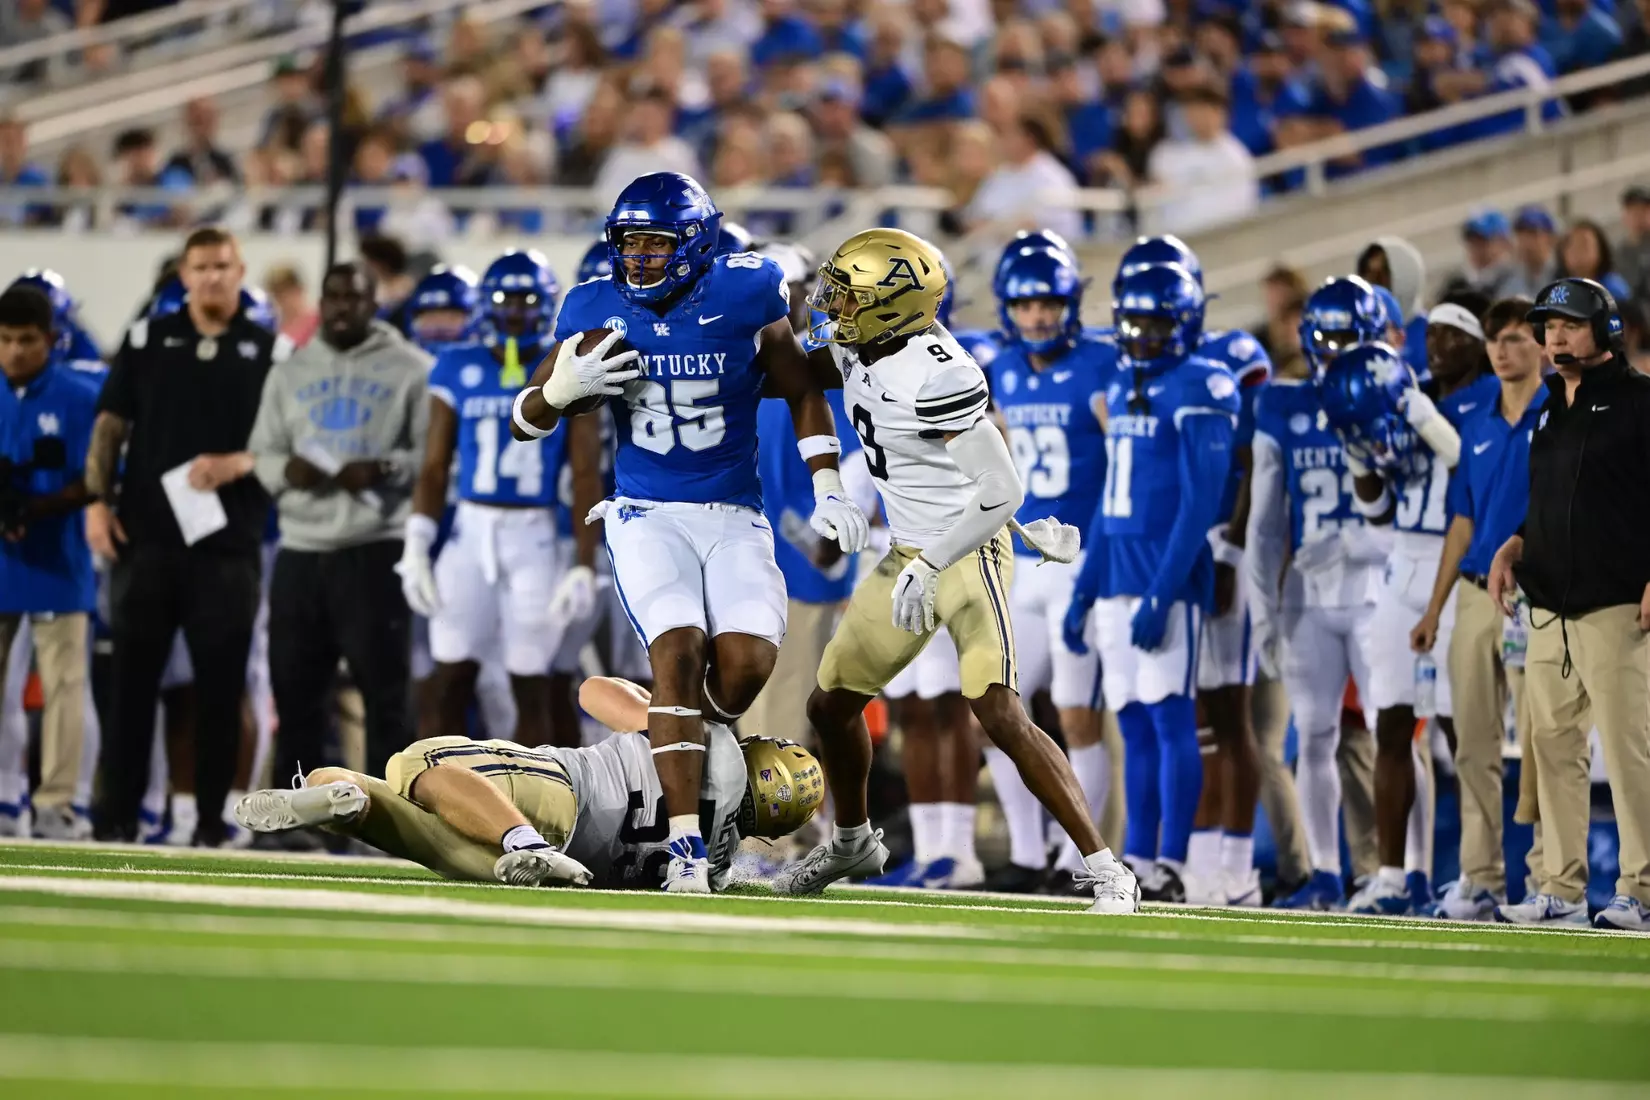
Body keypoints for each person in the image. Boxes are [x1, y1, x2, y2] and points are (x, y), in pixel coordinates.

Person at [512, 172, 867, 894]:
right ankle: (687, 850)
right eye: (629, 243)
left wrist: (828, 483)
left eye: (656, 243)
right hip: (646, 514)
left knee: (746, 665)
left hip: (735, 513)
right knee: (676, 652)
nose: (638, 258)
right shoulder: (596, 305)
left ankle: (676, 758)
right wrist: (553, 395)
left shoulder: (747, 295)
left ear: (699, 244)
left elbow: (801, 386)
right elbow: (524, 419)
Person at [768, 227, 1135, 914]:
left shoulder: (941, 371)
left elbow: (1003, 494)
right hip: (907, 548)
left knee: (997, 711)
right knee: (830, 704)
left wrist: (933, 562)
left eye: (849, 296)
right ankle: (852, 840)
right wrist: (826, 483)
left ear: (893, 305)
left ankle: (1104, 866)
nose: (833, 306)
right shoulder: (858, 341)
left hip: (969, 546)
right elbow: (795, 378)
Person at [235, 676, 821, 890]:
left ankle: (522, 842)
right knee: (352, 795)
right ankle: (334, 796)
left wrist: (657, 721)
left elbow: (592, 692)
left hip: (554, 791)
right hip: (566, 863)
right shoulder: (713, 867)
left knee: (412, 765)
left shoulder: (708, 740)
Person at [86, 227, 284, 845]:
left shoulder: (268, 349)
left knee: (222, 689)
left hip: (229, 547)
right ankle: (117, 817)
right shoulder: (148, 339)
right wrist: (97, 502)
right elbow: (110, 424)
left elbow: (286, 442)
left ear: (240, 270)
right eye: (201, 267)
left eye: (223, 266)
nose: (213, 277)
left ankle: (210, 821)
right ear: (184, 275)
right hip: (147, 541)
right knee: (131, 687)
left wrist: (238, 464)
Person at [1489, 278, 1650, 931]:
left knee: (1630, 748)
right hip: (1548, 606)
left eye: (1569, 325)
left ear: (1605, 331)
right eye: (1548, 325)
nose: (1554, 337)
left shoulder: (1642, 402)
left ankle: (1640, 888)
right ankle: (1559, 886)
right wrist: (1515, 545)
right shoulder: (1551, 407)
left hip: (1617, 605)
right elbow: (1551, 501)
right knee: (1552, 748)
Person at [1324, 305, 1497, 915]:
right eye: (1436, 334)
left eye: (1458, 334)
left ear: (1480, 346)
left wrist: (1419, 418)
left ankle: (1483, 875)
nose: (1441, 344)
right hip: (1402, 567)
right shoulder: (1408, 395)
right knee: (1390, 725)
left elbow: (1471, 468)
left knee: (1464, 732)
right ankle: (1392, 874)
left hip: (1462, 569)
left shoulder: (1489, 403)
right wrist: (1360, 452)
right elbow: (1376, 512)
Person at [247, 261, 428, 831]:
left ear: (375, 302)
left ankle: (390, 827)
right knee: (295, 693)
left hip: (375, 548)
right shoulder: (290, 371)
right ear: (321, 303)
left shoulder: (412, 369)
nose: (342, 307)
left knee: (385, 697)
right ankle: (298, 824)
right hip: (301, 550)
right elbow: (262, 452)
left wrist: (384, 467)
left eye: (355, 297)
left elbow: (434, 458)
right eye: (333, 297)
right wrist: (287, 470)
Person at [1246, 295, 1391, 911]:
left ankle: (1397, 873)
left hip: (1378, 594)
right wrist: (1263, 611)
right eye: (1324, 339)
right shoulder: (1283, 403)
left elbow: (1411, 512)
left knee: (1396, 737)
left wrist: (1358, 542)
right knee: (1313, 735)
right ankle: (1326, 874)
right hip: (1309, 595)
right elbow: (1265, 522)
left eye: (1346, 338)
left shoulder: (1397, 398)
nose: (1333, 353)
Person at [1409, 297, 1545, 920]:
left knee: (1546, 739)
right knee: (1473, 743)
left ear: (1541, 345)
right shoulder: (1479, 423)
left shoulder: (1561, 413)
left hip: (1533, 591)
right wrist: (1434, 608)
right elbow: (1461, 521)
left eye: (1516, 339)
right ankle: (1481, 876)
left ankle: (1549, 876)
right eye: (1495, 339)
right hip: (1470, 591)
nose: (1502, 350)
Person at [400, 250, 569, 748]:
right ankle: (437, 799)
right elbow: (434, 466)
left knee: (530, 680)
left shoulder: (561, 360)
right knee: (447, 676)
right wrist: (416, 543)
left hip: (536, 530)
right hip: (470, 530)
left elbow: (583, 470)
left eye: (526, 300)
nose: (515, 312)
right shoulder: (457, 364)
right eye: (504, 300)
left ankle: (538, 803)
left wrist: (582, 560)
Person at [987, 242, 1112, 895]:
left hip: (1081, 560)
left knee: (1076, 715)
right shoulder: (1003, 367)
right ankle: (1030, 854)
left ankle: (1083, 860)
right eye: (1026, 303)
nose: (1037, 316)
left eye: (1049, 303)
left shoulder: (1101, 364)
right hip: (1025, 562)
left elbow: (1126, 468)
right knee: (992, 704)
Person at [0, 285, 100, 840]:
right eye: (7, 339)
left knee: (66, 685)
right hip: (3, 558)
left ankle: (58, 802)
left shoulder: (79, 395)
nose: (16, 351)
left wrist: (36, 506)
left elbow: (98, 475)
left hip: (59, 558)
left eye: (28, 340)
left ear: (51, 340)